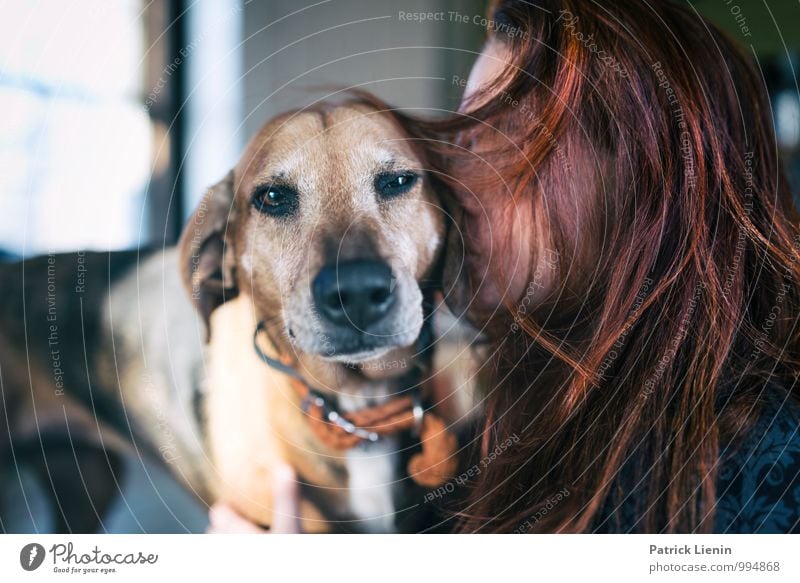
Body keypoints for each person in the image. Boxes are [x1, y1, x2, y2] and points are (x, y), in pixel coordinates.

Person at [209, 0, 800, 534]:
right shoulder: (511, 391)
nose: (454, 183)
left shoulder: (760, 470)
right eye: (465, 139)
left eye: (513, 145)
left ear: (649, 194)